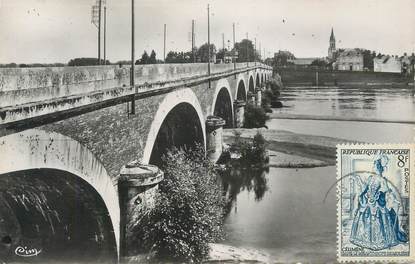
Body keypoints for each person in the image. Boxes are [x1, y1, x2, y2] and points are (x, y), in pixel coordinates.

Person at [350, 158, 408, 250]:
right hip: (368, 203)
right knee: (365, 220)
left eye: (374, 166)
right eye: (373, 166)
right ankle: (364, 240)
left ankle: (379, 242)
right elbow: (363, 189)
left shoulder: (382, 180)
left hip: (378, 205)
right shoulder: (370, 178)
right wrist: (358, 179)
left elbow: (386, 192)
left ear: (378, 168)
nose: (373, 167)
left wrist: (391, 199)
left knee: (379, 222)